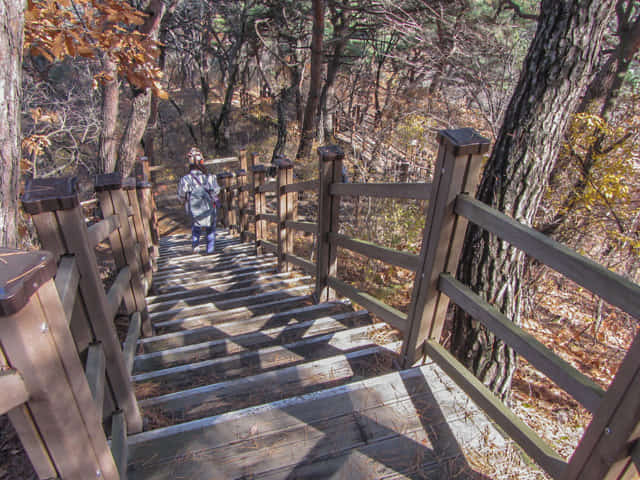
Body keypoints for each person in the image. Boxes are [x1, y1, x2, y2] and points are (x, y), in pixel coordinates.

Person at [178, 150, 220, 254]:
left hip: (193, 208)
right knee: (210, 228)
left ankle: (196, 246)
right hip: (209, 207)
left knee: (195, 227)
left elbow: (182, 195)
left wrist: (183, 201)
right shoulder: (210, 177)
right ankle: (210, 250)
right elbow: (216, 190)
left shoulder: (185, 179)